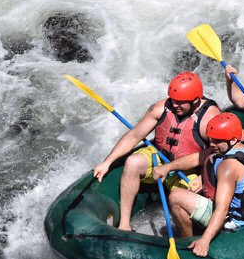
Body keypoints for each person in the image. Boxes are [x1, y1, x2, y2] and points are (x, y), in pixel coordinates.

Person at [92, 72, 221, 231]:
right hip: (159, 159)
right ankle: (124, 224)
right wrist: (107, 162)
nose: (175, 105)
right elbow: (134, 136)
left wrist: (203, 178)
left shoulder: (209, 118)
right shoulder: (161, 108)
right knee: (133, 162)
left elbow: (219, 153)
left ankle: (186, 237)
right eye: (173, 100)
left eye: (180, 102)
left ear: (195, 101)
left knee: (183, 198)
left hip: (189, 169)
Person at [152, 112, 244, 257]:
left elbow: (222, 208)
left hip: (231, 221)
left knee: (176, 196)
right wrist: (168, 167)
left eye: (216, 141)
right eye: (210, 139)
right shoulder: (238, 146)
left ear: (233, 139)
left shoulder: (228, 167)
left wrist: (205, 240)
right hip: (242, 208)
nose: (212, 144)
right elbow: (199, 158)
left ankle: (187, 243)